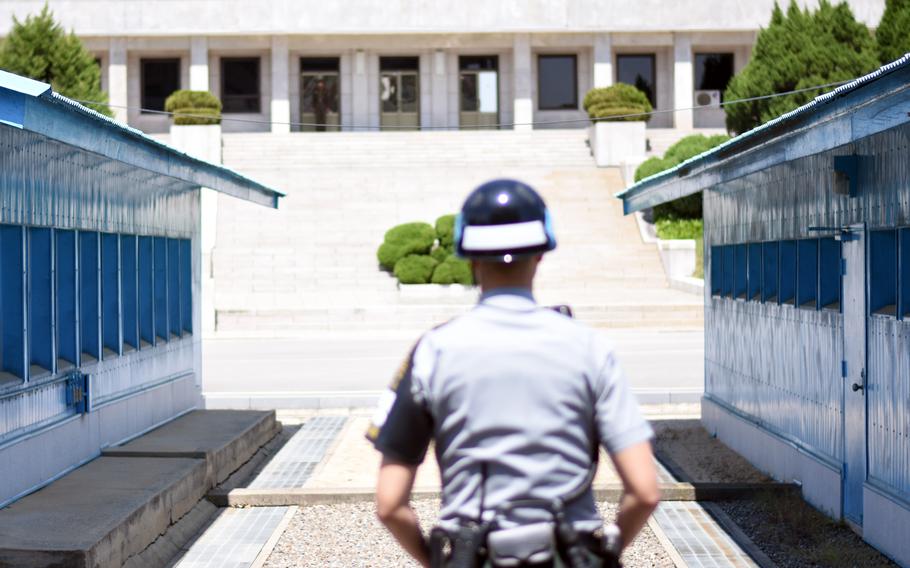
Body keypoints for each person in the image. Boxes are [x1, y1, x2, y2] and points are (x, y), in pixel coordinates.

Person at [367, 179, 660, 567]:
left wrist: (436, 561)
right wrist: (602, 555)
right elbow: (644, 491)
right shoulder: (590, 348)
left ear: (468, 257)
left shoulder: (432, 352)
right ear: (540, 253)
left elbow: (389, 504)